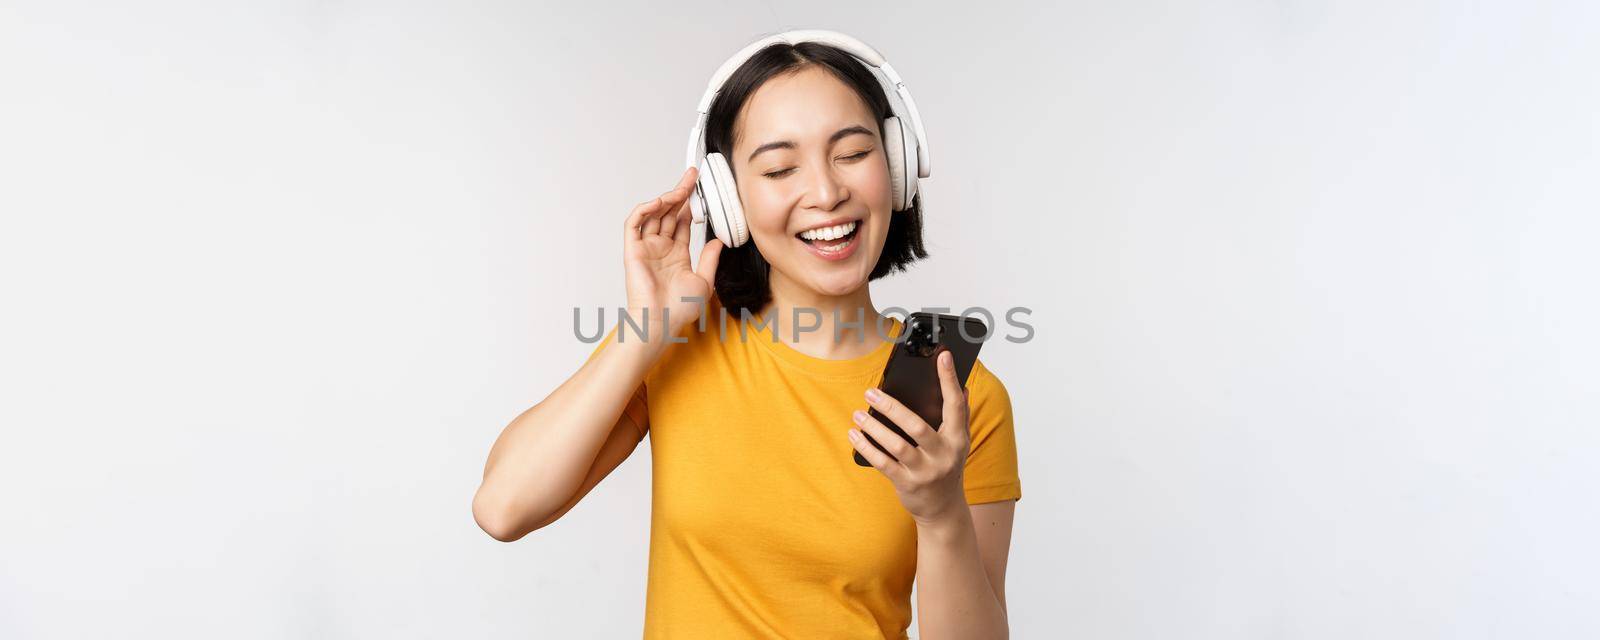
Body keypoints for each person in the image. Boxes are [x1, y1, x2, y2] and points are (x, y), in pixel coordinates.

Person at [472, 31, 1021, 639]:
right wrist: (646, 331)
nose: (825, 193)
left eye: (853, 153)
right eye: (781, 168)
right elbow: (502, 508)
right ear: (729, 198)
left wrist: (940, 513)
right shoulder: (677, 346)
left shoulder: (962, 399)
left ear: (895, 165)